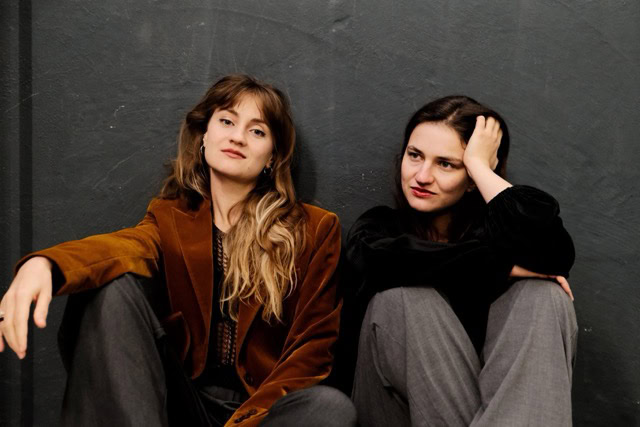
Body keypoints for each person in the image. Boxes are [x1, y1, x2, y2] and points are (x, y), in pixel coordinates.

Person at [0, 74, 356, 427]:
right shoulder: (169, 217)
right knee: (112, 288)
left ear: (272, 157)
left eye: (257, 131)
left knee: (331, 408)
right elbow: (123, 247)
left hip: (261, 415)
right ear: (204, 136)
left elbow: (311, 354)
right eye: (227, 121)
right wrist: (45, 264)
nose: (237, 136)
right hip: (178, 406)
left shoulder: (314, 229)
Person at [343, 95, 577, 426]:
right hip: (389, 413)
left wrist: (480, 167)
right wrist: (499, 268)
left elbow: (556, 256)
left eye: (446, 164)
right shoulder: (379, 229)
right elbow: (382, 261)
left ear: (470, 180)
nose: (422, 176)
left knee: (542, 296)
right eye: (414, 155)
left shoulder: (491, 235)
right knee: (403, 298)